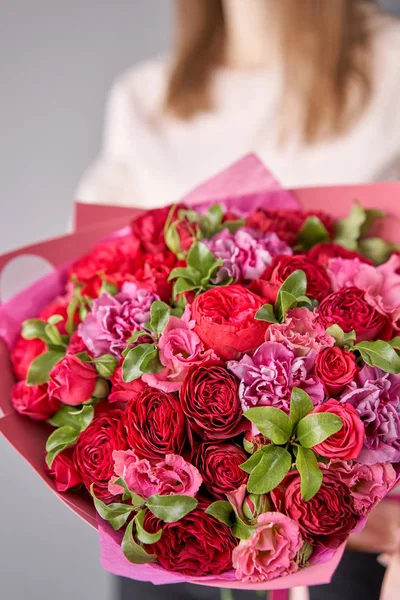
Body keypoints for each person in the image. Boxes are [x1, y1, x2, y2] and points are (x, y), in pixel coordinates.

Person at [76, 1, 400, 598]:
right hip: (175, 538)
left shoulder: (389, 66)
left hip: (361, 531)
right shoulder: (147, 98)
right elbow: (95, 296)